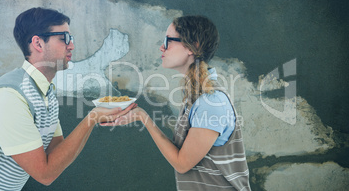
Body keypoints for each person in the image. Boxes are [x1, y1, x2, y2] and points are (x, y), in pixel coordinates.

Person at [0, 7, 135, 190]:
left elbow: (56, 155)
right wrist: (92, 118)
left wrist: (94, 118)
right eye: (64, 38)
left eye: (71, 38)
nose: (72, 45)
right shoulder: (8, 96)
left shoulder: (45, 93)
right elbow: (45, 174)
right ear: (38, 43)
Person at [106, 15, 251, 190]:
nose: (162, 47)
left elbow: (182, 163)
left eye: (168, 41)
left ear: (193, 46)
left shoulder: (211, 101)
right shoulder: (196, 95)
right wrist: (140, 115)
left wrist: (144, 119)